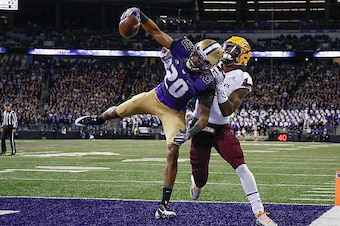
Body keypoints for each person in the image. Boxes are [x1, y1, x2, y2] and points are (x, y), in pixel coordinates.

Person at [75, 7, 222, 219]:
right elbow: (155, 32)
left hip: (174, 112)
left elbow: (204, 119)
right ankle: (97, 120)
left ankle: (163, 205)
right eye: (197, 54)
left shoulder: (206, 82)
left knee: (173, 149)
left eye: (202, 60)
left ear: (209, 66)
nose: (196, 59)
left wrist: (189, 134)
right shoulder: (183, 47)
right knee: (118, 111)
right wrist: (139, 15)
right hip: (155, 96)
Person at [184, 36, 278, 226]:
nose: (227, 51)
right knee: (200, 180)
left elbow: (227, 110)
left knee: (241, 167)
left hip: (220, 129)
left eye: (233, 49)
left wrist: (219, 86)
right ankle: (196, 182)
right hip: (200, 129)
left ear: (242, 56)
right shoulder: (210, 66)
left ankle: (259, 212)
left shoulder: (243, 77)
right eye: (227, 46)